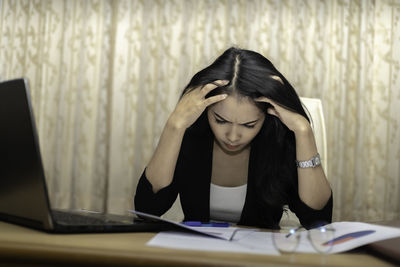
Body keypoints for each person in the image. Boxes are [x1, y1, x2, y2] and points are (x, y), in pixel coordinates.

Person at [134, 47, 332, 229]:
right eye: (220, 120)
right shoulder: (192, 135)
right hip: (196, 255)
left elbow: (317, 220)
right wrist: (174, 125)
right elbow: (147, 209)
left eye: (249, 125)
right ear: (206, 110)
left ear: (267, 116)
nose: (233, 136)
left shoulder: (278, 140)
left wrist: (304, 132)